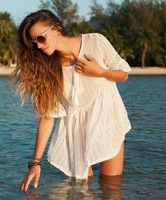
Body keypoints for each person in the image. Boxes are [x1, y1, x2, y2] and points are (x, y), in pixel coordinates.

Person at [10, 9, 132, 192]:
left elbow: (123, 74)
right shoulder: (48, 69)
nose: (39, 46)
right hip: (76, 133)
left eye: (41, 38)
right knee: (82, 190)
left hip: (107, 121)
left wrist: (100, 72)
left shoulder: (95, 42)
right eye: (33, 43)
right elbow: (47, 116)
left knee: (112, 187)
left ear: (57, 28)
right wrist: (35, 162)